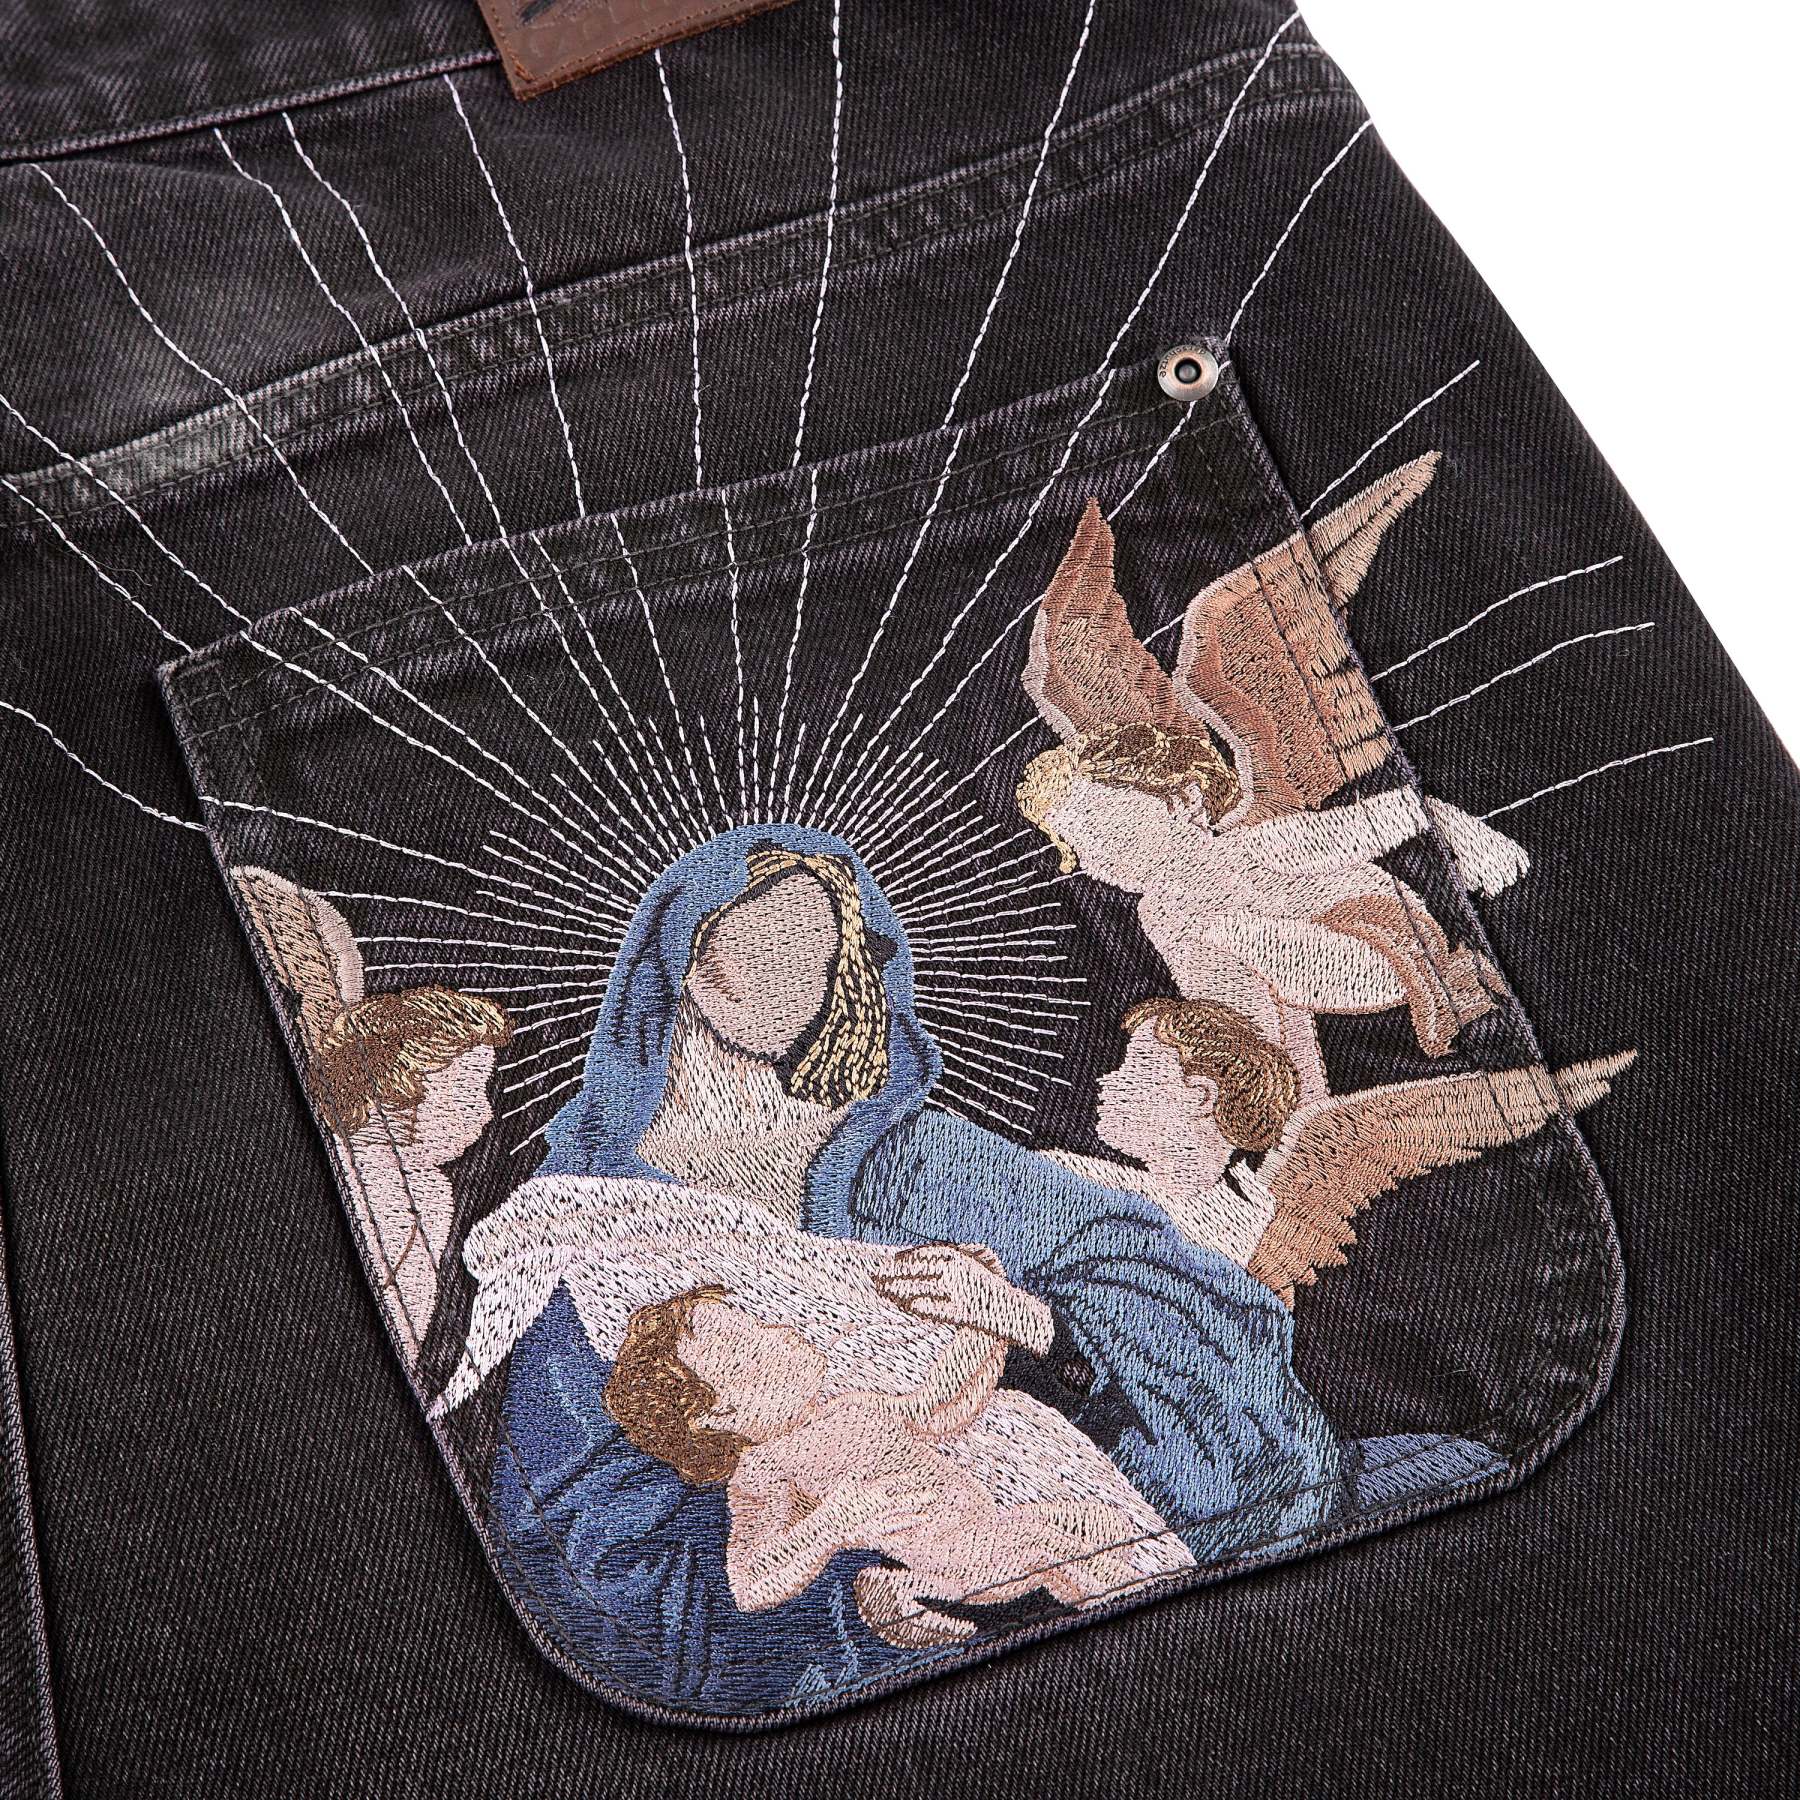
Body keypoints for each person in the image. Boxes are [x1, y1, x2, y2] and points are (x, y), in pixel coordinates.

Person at [448, 825, 1340, 1715]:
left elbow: (1183, 1299)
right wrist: (848, 1603)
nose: (791, 967)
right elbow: (586, 1539)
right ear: (684, 951)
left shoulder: (919, 1158)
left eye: (821, 946)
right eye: (757, 934)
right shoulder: (592, 1219)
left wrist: (1029, 1321)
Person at [603, 1280, 1187, 1647]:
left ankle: (920, 1593)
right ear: (721, 1415)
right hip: (959, 1550)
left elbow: (938, 1406)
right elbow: (750, 1582)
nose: (780, 1331)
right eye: (751, 1346)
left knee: (1095, 1527)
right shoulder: (765, 1471)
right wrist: (831, 1523)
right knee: (1062, 1546)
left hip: (985, 1524)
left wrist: (983, 1325)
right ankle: (1142, 1633)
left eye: (760, 1322)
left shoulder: (847, 1407)